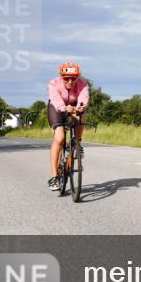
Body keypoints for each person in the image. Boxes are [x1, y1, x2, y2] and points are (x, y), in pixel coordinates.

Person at [46, 62, 90, 191]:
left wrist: (81, 107)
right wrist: (65, 108)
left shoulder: (83, 84)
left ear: (77, 77)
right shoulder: (53, 83)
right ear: (61, 77)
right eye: (66, 78)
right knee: (59, 139)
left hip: (74, 107)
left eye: (73, 78)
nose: (70, 81)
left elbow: (84, 98)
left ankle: (77, 143)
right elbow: (55, 100)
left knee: (82, 117)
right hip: (56, 108)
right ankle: (54, 176)